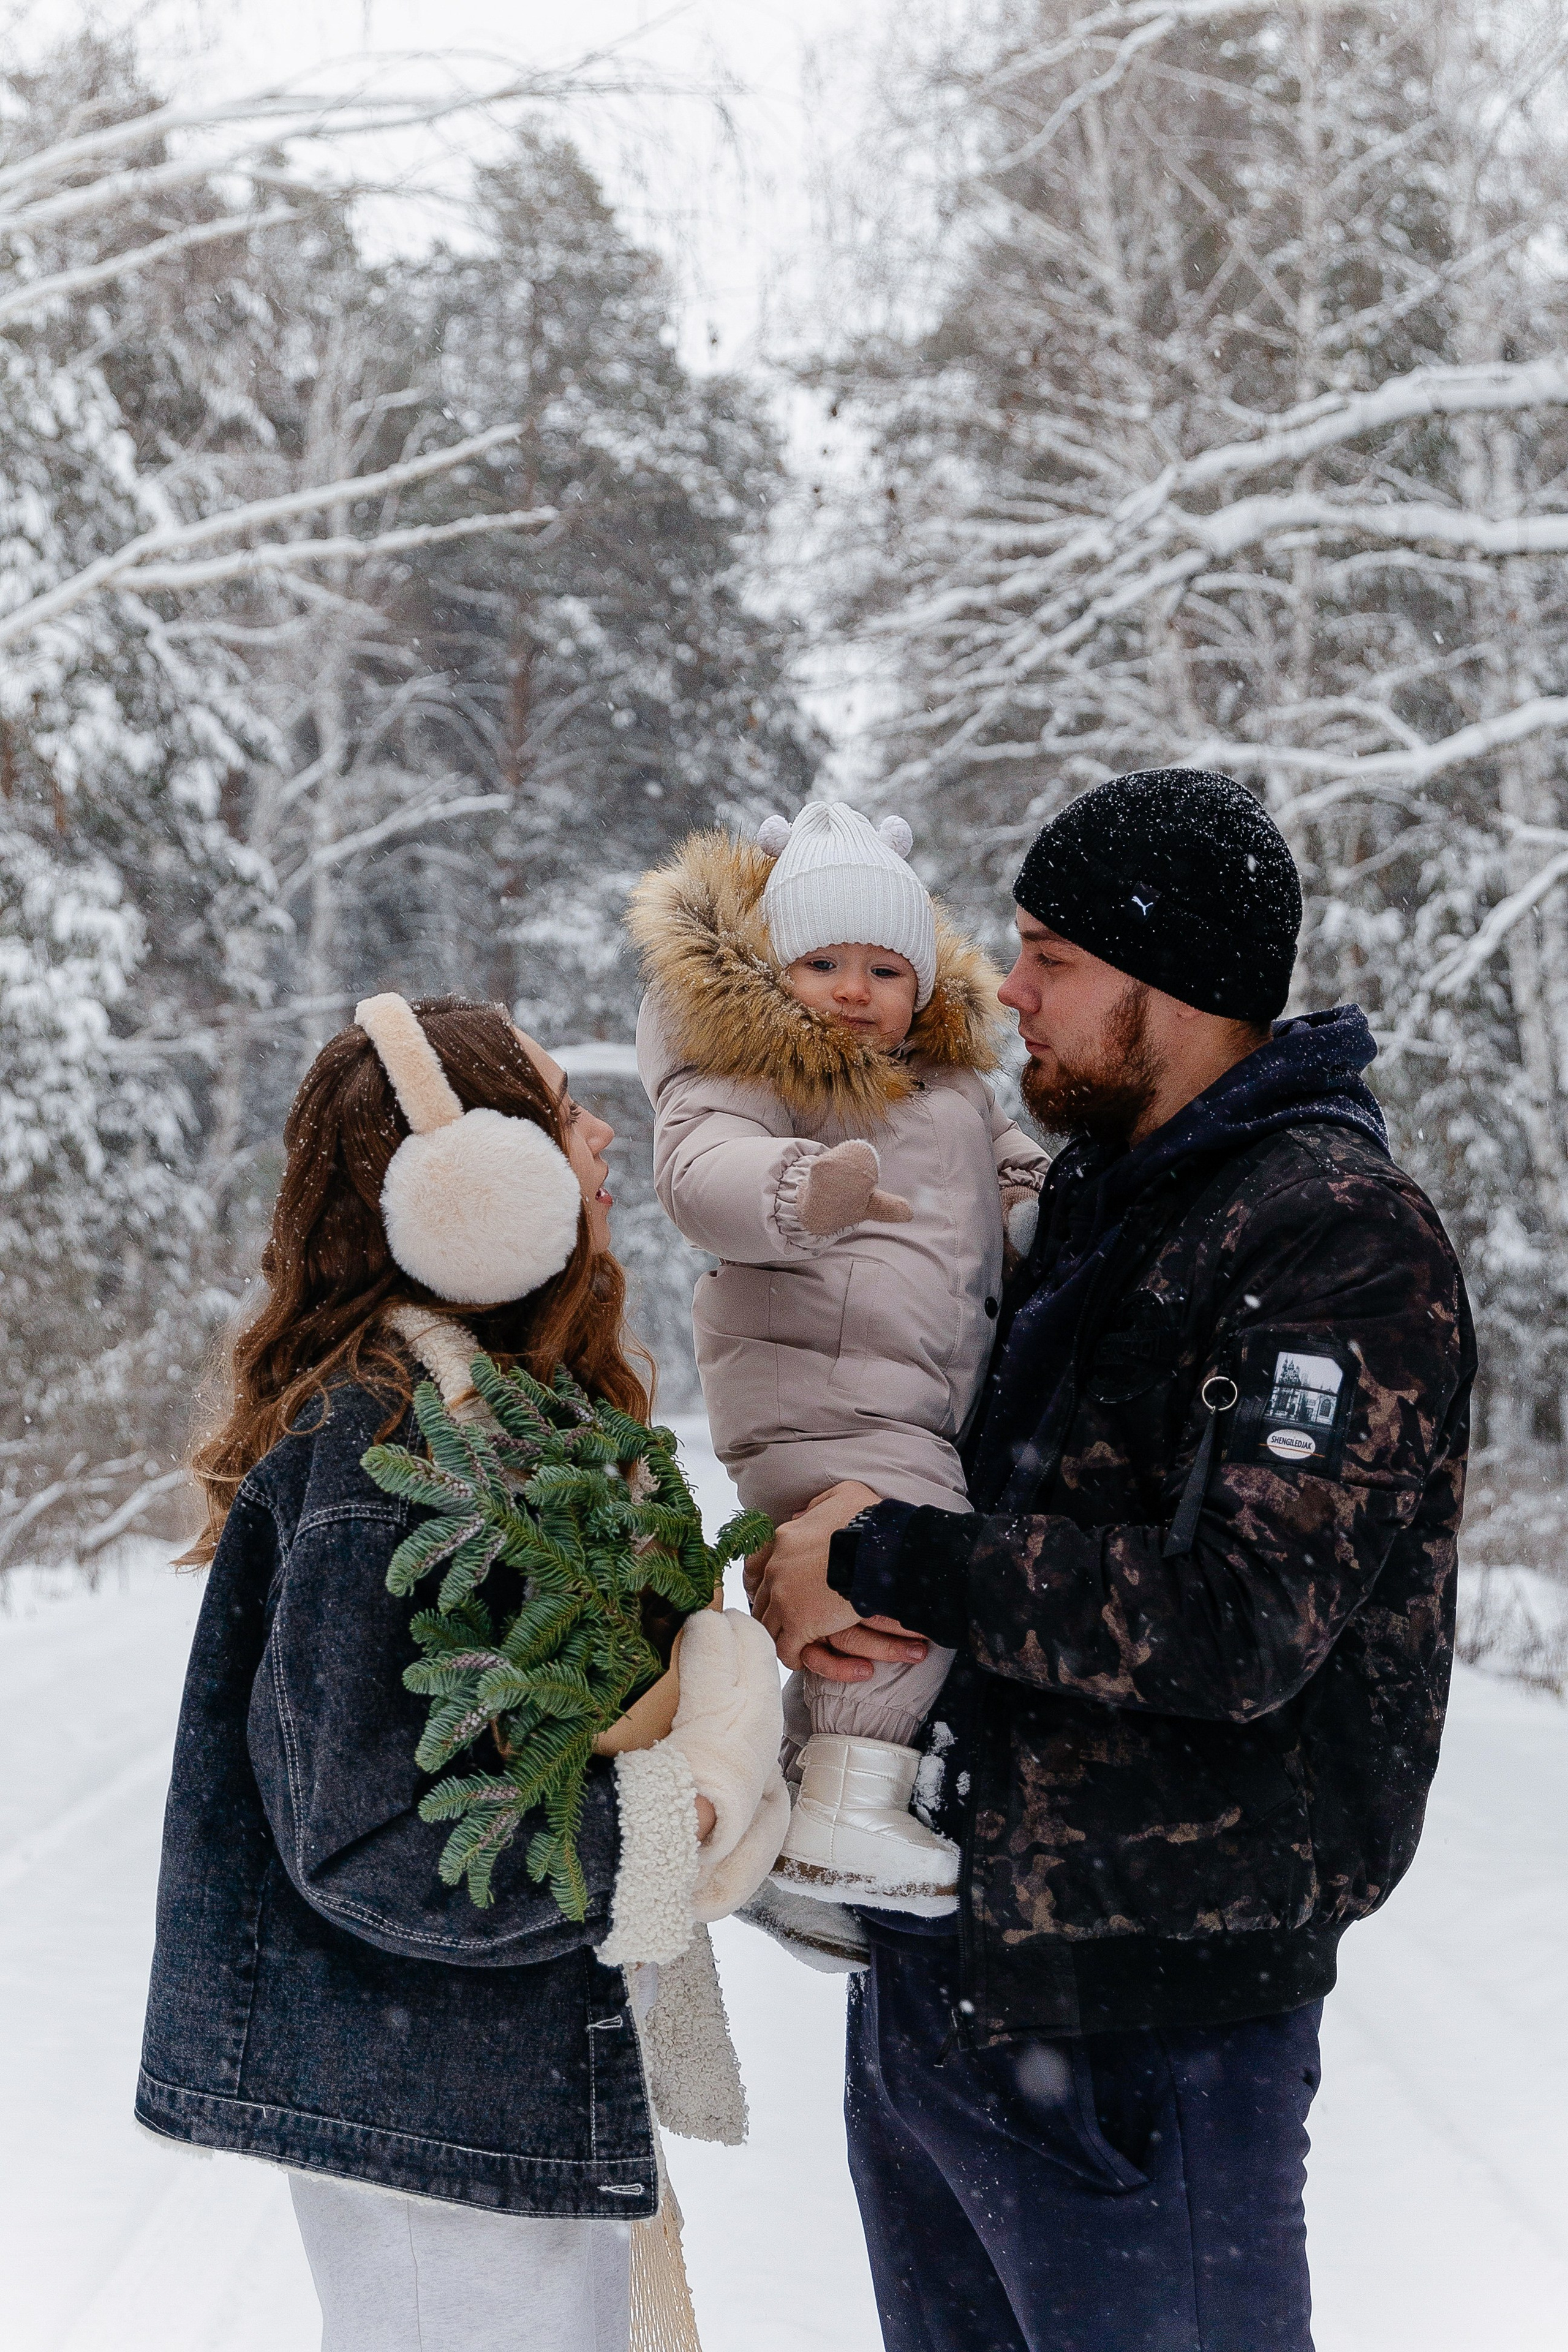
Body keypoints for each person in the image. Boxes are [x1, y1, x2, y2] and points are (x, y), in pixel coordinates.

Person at [749, 769, 1476, 2352]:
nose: (1003, 989)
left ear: (1179, 987)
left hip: (1153, 2036)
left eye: (1048, 958)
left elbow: (1237, 1616)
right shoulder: (1086, 1201)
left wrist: (885, 1559)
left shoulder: (1336, 1238)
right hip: (942, 1991)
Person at [136, 993, 787, 2352]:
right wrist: (666, 1826)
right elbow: (369, 1832)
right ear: (466, 1190)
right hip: (434, 2129)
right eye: (559, 1111)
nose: (603, 1130)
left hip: (487, 2097)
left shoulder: (495, 1423)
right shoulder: (378, 1453)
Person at [630, 804, 1046, 1937]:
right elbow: (699, 1167)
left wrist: (1037, 1204)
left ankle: (813, 1834)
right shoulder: (762, 1068)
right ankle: (850, 1809)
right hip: (823, 1395)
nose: (855, 991)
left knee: (867, 1594)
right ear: (775, 970)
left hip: (904, 1399)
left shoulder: (954, 1087)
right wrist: (797, 1191)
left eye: (883, 967)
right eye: (822, 963)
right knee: (909, 1574)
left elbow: (1005, 1166)